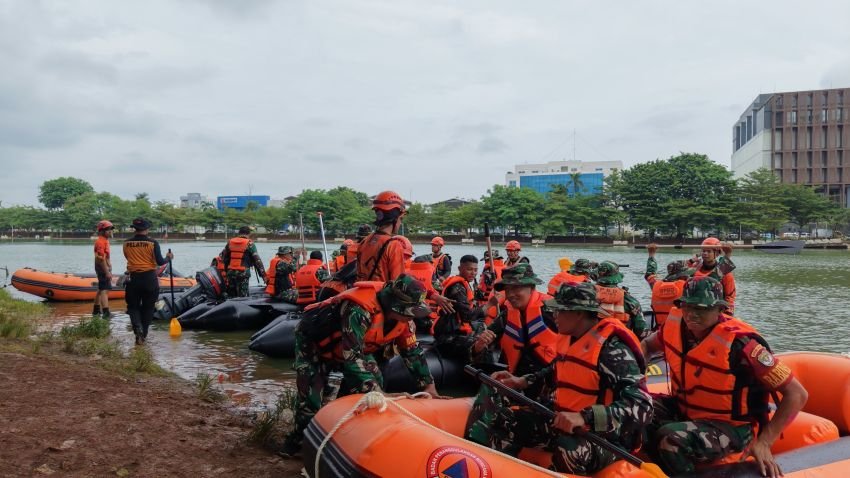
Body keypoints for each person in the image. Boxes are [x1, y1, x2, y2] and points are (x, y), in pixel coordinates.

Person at [641, 277, 808, 477]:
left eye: (702, 309)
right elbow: (648, 346)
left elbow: (797, 394)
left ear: (720, 310)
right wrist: (637, 379)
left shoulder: (743, 346)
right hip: (686, 409)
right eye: (687, 306)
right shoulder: (675, 326)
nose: (692, 315)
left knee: (669, 438)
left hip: (732, 427)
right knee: (638, 409)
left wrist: (764, 442)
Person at [489, 282, 653, 474]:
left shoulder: (612, 350)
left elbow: (642, 407)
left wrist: (585, 417)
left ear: (579, 313)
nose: (554, 316)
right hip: (563, 420)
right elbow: (556, 369)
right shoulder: (570, 336)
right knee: (506, 419)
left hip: (605, 437)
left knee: (569, 448)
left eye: (560, 311)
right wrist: (523, 381)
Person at [281, 274, 442, 457]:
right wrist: (376, 391)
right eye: (407, 312)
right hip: (314, 345)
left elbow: (413, 352)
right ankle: (295, 444)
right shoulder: (358, 310)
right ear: (393, 305)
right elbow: (352, 356)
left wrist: (428, 386)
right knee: (311, 399)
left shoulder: (404, 320)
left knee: (375, 379)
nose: (409, 317)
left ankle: (341, 432)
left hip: (351, 349)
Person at [466, 264, 558, 447]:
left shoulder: (554, 312)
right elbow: (474, 351)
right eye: (507, 289)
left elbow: (570, 359)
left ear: (532, 287)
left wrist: (527, 380)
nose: (511, 294)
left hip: (549, 386)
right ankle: (472, 445)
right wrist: (479, 345)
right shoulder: (508, 315)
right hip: (518, 384)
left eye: (517, 288)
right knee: (490, 386)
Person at [123, 217, 173, 345]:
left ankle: (137, 328)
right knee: (148, 308)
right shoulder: (153, 243)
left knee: (133, 307)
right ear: (147, 229)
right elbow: (160, 262)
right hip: (149, 278)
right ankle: (143, 335)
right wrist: (168, 258)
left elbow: (128, 257)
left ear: (134, 228)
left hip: (133, 278)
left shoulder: (126, 243)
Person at [432, 255, 488, 359]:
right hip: (448, 335)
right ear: (459, 269)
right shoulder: (457, 287)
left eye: (476, 270)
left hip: (454, 328)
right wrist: (489, 306)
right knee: (481, 344)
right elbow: (467, 316)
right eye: (469, 269)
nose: (473, 273)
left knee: (483, 329)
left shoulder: (464, 283)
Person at [594, 261, 648, 339]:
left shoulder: (585, 295)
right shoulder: (630, 301)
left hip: (591, 344)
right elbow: (641, 332)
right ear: (617, 278)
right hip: (619, 346)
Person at [644, 243, 692, 330]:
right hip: (680, 331)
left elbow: (649, 274)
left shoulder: (656, 285)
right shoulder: (687, 287)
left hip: (660, 330)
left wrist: (651, 255)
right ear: (683, 275)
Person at [692, 237, 737, 314]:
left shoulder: (726, 273)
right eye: (703, 251)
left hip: (715, 311)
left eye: (709, 251)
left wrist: (728, 313)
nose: (705, 253)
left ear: (716, 254)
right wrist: (691, 261)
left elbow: (730, 296)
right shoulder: (694, 268)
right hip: (696, 309)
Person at [221, 226, 266, 298]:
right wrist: (263, 275)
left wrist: (226, 271)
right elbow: (257, 261)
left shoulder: (230, 242)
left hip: (231, 272)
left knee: (231, 294)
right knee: (243, 296)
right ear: (249, 234)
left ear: (239, 233)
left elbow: (223, 257)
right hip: (243, 273)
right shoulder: (250, 244)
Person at [92, 220, 115, 318]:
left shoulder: (105, 240)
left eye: (111, 230)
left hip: (103, 266)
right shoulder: (100, 242)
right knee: (105, 290)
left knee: (101, 289)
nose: (110, 232)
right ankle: (106, 312)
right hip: (101, 267)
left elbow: (106, 256)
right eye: (108, 230)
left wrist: (109, 264)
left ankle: (96, 310)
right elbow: (101, 259)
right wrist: (107, 272)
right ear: (101, 231)